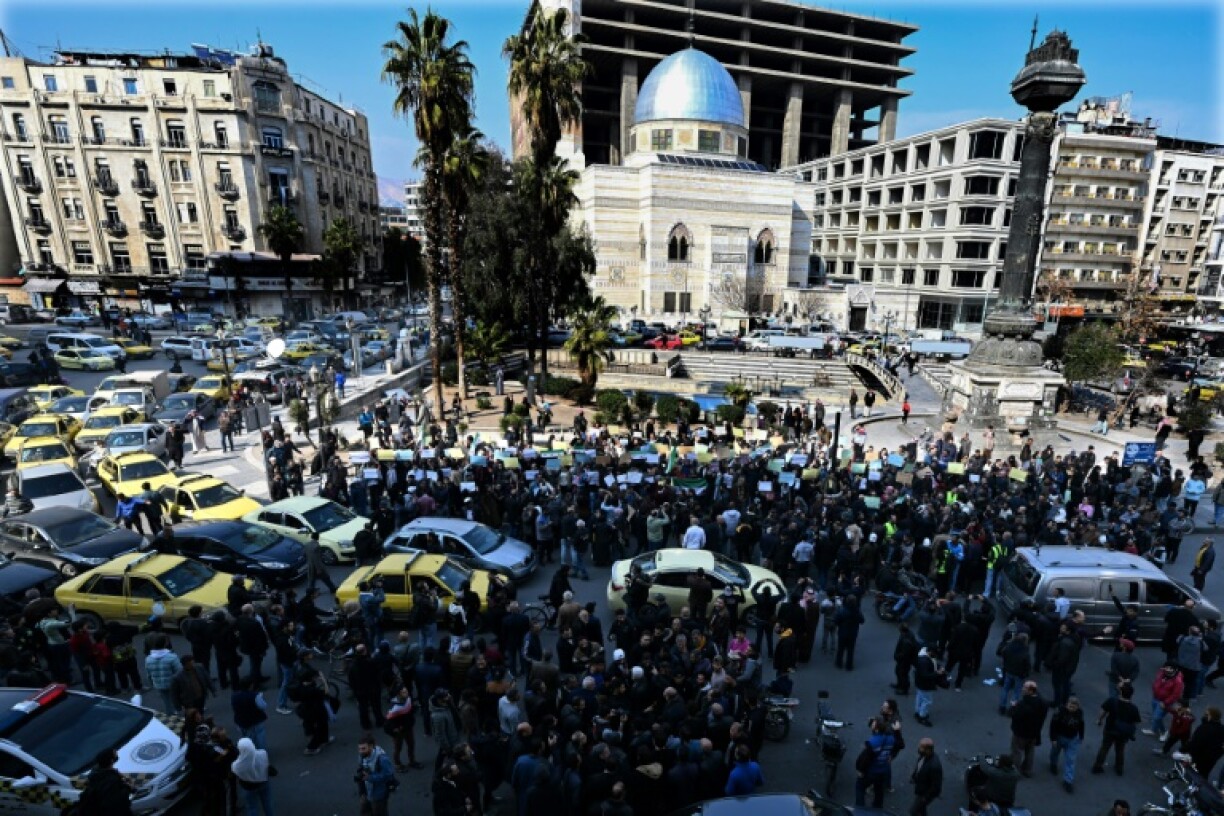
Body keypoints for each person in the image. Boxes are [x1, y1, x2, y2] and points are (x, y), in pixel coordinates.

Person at [1092, 682, 1141, 775]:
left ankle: (1097, 766)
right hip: (1123, 733)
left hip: (1110, 728)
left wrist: (1099, 720)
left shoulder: (1112, 701)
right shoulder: (1134, 708)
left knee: (1104, 748)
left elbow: (1103, 711)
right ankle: (1119, 768)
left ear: (1121, 692)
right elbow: (1136, 722)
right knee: (1120, 749)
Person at [77, 748, 134, 816]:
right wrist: (129, 788)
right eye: (116, 757)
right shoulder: (110, 780)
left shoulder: (96, 775)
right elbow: (117, 801)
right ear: (111, 761)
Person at [1048, 696, 1085, 793]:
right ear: (1066, 704)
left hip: (1072, 739)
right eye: (1070, 706)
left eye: (1074, 707)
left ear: (1077, 707)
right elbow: (1053, 725)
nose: (1072, 708)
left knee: (1070, 759)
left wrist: (1081, 736)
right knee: (1054, 752)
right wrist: (1053, 738)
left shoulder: (1079, 713)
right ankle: (1053, 764)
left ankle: (1068, 781)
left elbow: (1081, 724)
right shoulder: (1059, 711)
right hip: (1059, 736)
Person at [231, 736, 274, 816]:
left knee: (252, 807)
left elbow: (236, 774)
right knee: (267, 804)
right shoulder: (263, 753)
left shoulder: (236, 765)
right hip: (263, 782)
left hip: (248, 787)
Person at [356, 733, 396, 816]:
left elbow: (388, 775)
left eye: (363, 748)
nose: (361, 751)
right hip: (365, 790)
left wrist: (370, 777)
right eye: (359, 749)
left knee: (379, 812)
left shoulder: (382, 759)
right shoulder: (362, 755)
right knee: (365, 811)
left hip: (378, 793)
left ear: (371, 746)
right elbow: (361, 767)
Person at [908, 738, 942, 816]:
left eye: (921, 747)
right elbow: (919, 767)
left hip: (925, 794)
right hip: (921, 788)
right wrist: (914, 777)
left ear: (928, 750)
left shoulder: (934, 766)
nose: (918, 748)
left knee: (913, 811)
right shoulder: (924, 756)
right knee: (921, 809)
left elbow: (936, 787)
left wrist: (925, 798)